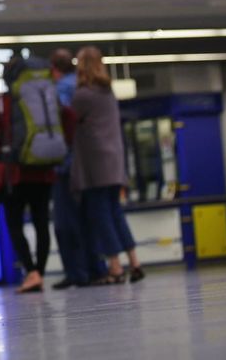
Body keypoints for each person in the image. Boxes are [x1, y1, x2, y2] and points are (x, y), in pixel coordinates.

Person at [0, 55, 60, 293]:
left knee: (15, 224)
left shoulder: (3, 103)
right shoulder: (48, 98)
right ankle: (41, 272)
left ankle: (31, 272)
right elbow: (67, 119)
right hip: (44, 171)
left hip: (15, 175)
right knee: (41, 224)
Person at [71, 46, 145, 284]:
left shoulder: (82, 95)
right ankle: (135, 261)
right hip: (115, 160)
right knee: (115, 211)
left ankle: (115, 265)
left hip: (95, 162)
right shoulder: (108, 91)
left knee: (100, 213)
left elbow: (71, 121)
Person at [50, 48, 106, 289]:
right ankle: (96, 269)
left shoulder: (61, 89)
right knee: (89, 219)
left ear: (54, 70)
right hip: (90, 165)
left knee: (65, 222)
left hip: (65, 166)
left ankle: (76, 272)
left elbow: (60, 124)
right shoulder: (88, 87)